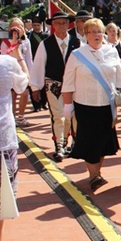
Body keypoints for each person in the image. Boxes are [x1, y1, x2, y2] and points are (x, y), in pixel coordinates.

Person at [61, 19, 121, 191]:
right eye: (92, 31)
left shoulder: (111, 52)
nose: (96, 35)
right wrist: (68, 105)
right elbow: (68, 82)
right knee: (90, 140)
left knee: (103, 141)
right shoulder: (77, 55)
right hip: (85, 105)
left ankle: (96, 173)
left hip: (107, 105)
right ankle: (93, 175)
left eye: (99, 31)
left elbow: (120, 77)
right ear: (85, 34)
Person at [0, 40, 29, 241]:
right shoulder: (5, 63)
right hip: (1, 142)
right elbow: (23, 83)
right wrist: (17, 56)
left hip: (2, 141)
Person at [29, 12, 81, 161]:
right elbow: (38, 66)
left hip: (74, 85)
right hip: (54, 85)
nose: (61, 26)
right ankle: (59, 144)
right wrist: (35, 87)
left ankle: (74, 143)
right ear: (52, 25)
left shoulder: (77, 43)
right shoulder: (45, 44)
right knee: (59, 116)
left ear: (69, 24)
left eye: (64, 23)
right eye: (58, 23)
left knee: (74, 116)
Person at [1, 18, 34, 128]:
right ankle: (12, 117)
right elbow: (3, 57)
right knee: (13, 95)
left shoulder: (26, 41)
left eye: (18, 27)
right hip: (10, 71)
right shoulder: (5, 41)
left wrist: (31, 73)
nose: (16, 30)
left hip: (22, 69)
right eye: (13, 27)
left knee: (24, 93)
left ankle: (21, 116)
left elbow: (29, 58)